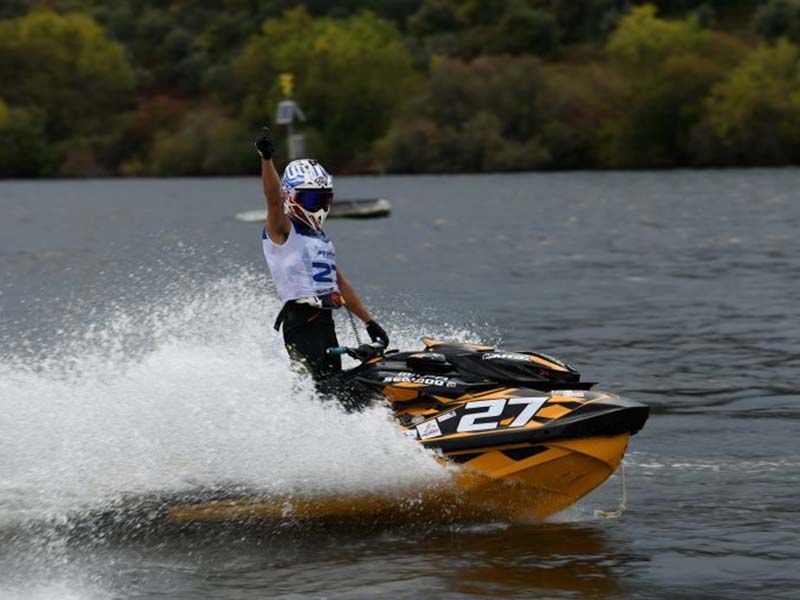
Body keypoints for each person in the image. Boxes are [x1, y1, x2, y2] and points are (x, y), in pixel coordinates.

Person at [254, 126, 389, 380]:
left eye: (323, 200)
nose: (318, 206)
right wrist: (267, 158)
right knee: (320, 388)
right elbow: (272, 199)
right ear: (292, 198)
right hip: (300, 322)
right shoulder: (282, 230)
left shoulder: (321, 239)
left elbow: (340, 283)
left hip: (324, 321)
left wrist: (370, 323)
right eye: (311, 200)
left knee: (337, 386)